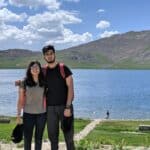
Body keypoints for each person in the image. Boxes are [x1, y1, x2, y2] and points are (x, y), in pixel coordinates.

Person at [42, 45, 75, 150]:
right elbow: (32, 81)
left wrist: (68, 107)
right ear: (44, 57)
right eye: (47, 54)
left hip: (65, 108)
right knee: (53, 139)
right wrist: (21, 83)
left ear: (54, 54)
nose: (49, 56)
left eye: (51, 53)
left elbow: (71, 88)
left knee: (69, 138)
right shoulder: (43, 71)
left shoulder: (63, 68)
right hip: (50, 109)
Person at [16, 61, 46, 150]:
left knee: (39, 138)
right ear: (29, 69)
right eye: (33, 67)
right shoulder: (24, 82)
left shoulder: (44, 82)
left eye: (37, 67)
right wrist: (18, 114)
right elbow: (20, 100)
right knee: (27, 139)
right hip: (28, 115)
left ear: (40, 69)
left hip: (42, 114)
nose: (35, 69)